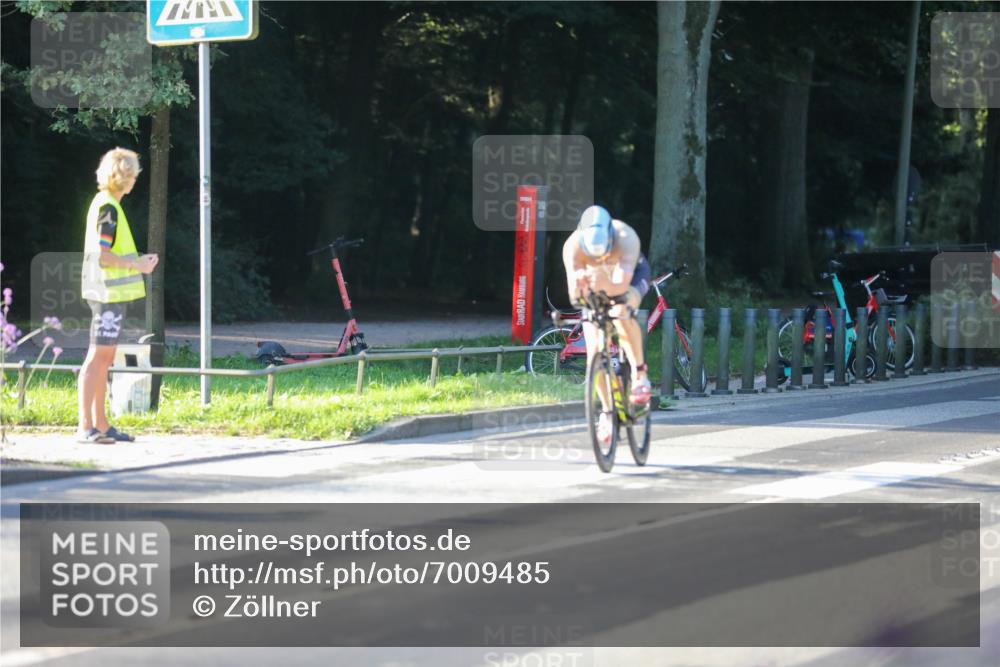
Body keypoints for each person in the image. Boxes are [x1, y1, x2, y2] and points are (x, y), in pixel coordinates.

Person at [77, 148, 158, 444]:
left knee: (105, 358)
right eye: (133, 173)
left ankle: (101, 424)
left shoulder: (108, 205)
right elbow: (104, 255)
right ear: (124, 176)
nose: (135, 178)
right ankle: (86, 426)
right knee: (97, 357)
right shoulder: (108, 208)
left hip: (109, 294)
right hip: (106, 294)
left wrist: (137, 261)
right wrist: (137, 264)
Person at [563, 205, 651, 444]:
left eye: (604, 253)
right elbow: (575, 296)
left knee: (622, 312)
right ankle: (607, 411)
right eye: (595, 256)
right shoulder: (572, 246)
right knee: (593, 352)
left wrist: (601, 281)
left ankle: (639, 374)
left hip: (631, 277)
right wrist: (581, 285)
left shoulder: (626, 237)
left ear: (611, 237)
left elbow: (620, 288)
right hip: (596, 284)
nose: (600, 259)